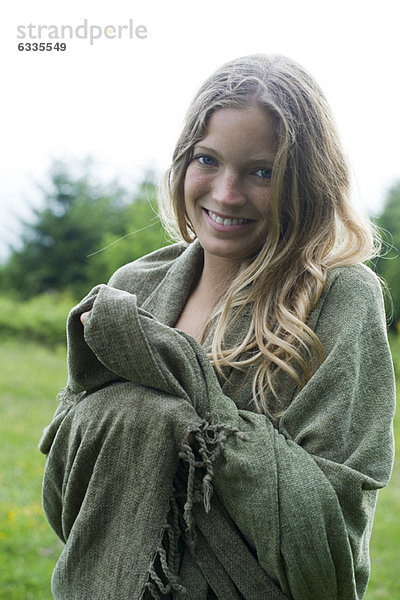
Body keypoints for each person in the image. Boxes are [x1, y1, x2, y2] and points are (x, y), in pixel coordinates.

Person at [39, 54, 395, 600]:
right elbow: (71, 486)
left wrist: (193, 415)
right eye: (208, 160)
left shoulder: (339, 298)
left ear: (307, 180)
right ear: (183, 162)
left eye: (263, 172)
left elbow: (330, 536)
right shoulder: (135, 287)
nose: (226, 194)